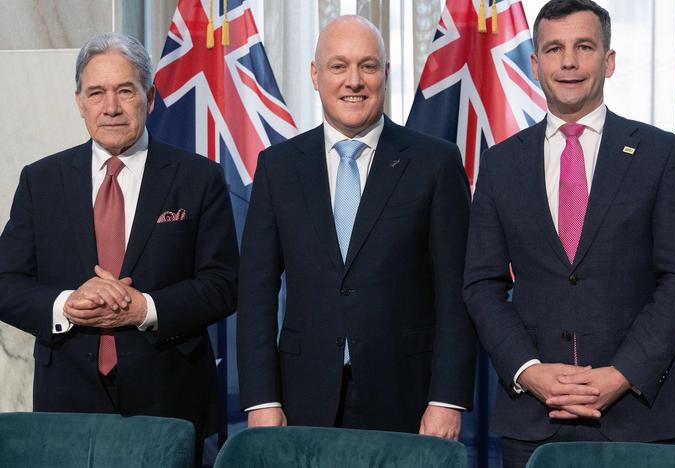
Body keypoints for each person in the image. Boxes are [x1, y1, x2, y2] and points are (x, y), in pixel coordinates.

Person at [463, 0, 675, 466]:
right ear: (535, 65)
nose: (568, 61)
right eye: (554, 49)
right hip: (534, 417)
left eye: (584, 47)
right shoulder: (501, 163)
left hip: (639, 415)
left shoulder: (660, 154)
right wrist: (529, 372)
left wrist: (622, 374)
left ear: (608, 61)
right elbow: (481, 284)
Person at [0, 32, 238, 461]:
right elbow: (5, 282)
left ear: (149, 97)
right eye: (97, 93)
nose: (110, 107)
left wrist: (144, 308)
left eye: (124, 91)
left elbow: (223, 283)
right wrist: (65, 304)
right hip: (67, 402)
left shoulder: (199, 178)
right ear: (79, 102)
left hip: (170, 400)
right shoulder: (41, 181)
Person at [236, 15, 476, 439]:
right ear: (315, 74)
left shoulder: (434, 163)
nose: (354, 81)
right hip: (300, 398)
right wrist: (262, 401)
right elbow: (255, 295)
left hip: (409, 397)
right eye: (338, 66)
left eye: (368, 66)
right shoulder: (278, 167)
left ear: (385, 74)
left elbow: (455, 293)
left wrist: (447, 399)